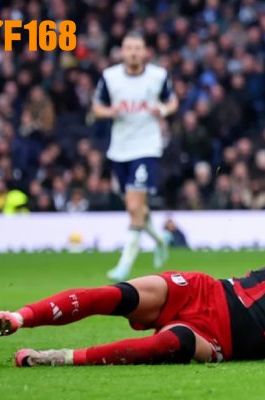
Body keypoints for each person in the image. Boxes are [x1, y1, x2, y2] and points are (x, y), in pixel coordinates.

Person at [0, 198, 265, 366]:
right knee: (119, 295)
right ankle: (17, 317)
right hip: (209, 290)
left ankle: (55, 358)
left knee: (168, 346)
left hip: (219, 339)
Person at [92, 32, 177, 282]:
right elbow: (96, 107)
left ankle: (124, 265)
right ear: (121, 51)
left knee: (132, 206)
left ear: (145, 52)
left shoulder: (158, 76)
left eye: (137, 48)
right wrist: (109, 112)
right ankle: (162, 240)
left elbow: (172, 102)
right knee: (137, 206)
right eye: (128, 48)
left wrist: (161, 109)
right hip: (120, 150)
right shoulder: (110, 77)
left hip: (147, 148)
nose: (133, 52)